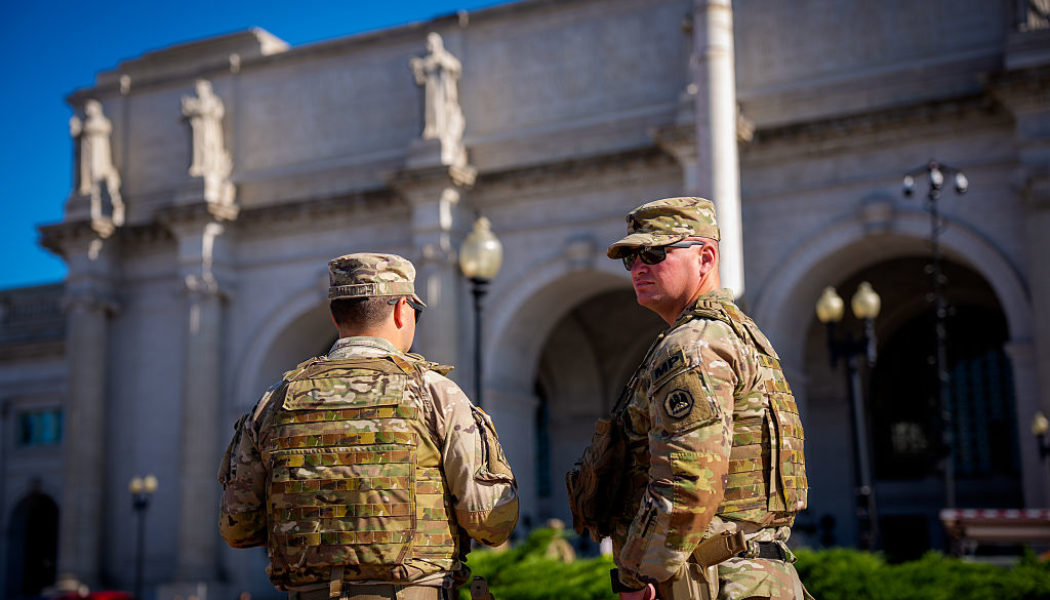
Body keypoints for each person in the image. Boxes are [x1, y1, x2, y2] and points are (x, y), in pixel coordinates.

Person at [218, 253, 519, 600]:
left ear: (335, 316)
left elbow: (237, 528)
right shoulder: (435, 393)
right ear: (401, 310)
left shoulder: (272, 401)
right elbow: (490, 522)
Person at [574, 197, 808, 600]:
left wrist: (637, 576)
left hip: (712, 580)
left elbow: (686, 482)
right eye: (631, 258)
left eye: (655, 251)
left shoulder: (692, 345)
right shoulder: (742, 336)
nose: (640, 266)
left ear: (705, 257)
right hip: (753, 577)